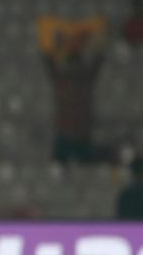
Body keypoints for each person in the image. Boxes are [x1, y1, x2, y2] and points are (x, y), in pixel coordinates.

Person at [37, 15, 107, 164]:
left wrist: (99, 40)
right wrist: (49, 40)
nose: (74, 67)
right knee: (57, 171)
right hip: (64, 135)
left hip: (83, 135)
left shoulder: (86, 79)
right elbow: (48, 61)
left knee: (87, 173)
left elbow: (98, 61)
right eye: (71, 63)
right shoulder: (61, 80)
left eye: (77, 63)